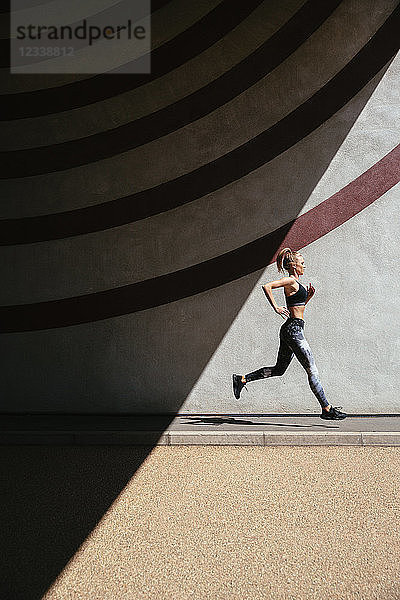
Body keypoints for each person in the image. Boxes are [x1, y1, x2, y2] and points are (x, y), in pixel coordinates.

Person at [232, 247, 347, 420]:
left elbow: (297, 309)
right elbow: (267, 286)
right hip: (293, 330)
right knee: (312, 370)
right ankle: (326, 408)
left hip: (291, 329)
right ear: (293, 265)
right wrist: (276, 307)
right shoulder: (290, 281)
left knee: (279, 370)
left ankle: (241, 379)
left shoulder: (297, 285)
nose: (304, 266)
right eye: (302, 263)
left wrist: (307, 298)